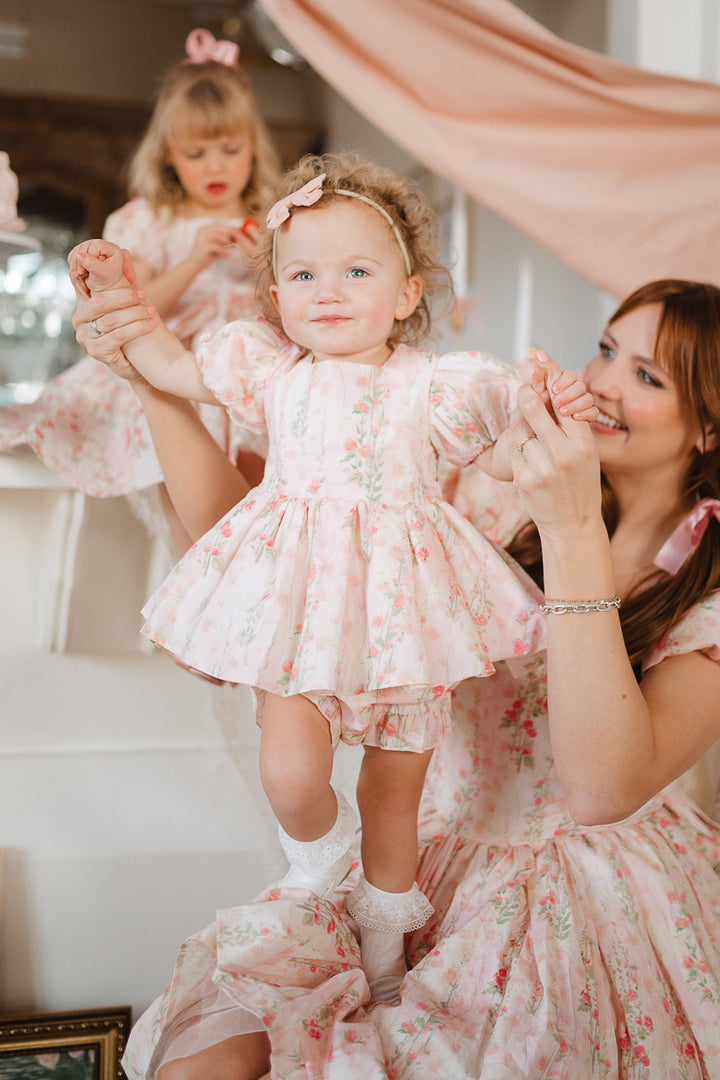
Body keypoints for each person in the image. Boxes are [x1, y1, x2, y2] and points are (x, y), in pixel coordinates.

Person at [75, 275, 720, 1078]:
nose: (601, 384)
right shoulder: (485, 494)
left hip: (573, 903)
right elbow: (259, 548)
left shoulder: (703, 603)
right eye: (605, 351)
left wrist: (574, 524)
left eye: (648, 376)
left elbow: (599, 791)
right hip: (407, 858)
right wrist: (155, 386)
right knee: (208, 1059)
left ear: (710, 430)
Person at [69, 151, 595, 1004]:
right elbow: (164, 367)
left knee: (396, 803)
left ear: (409, 294)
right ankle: (319, 861)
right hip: (299, 614)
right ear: (276, 300)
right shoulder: (269, 371)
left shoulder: (436, 385)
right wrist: (120, 298)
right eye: (304, 274)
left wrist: (546, 412)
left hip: (402, 620)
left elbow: (501, 457)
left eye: (358, 271)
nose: (330, 291)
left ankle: (385, 957)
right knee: (289, 772)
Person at [0, 28, 279, 551]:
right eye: (196, 152)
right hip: (175, 371)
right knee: (194, 515)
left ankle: (254, 610)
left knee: (262, 504)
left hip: (251, 369)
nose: (215, 165)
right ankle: (191, 614)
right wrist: (195, 259)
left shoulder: (275, 219)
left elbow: (294, 303)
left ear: (253, 148)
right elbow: (136, 309)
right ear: (169, 155)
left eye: (230, 149)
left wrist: (267, 266)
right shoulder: (146, 220)